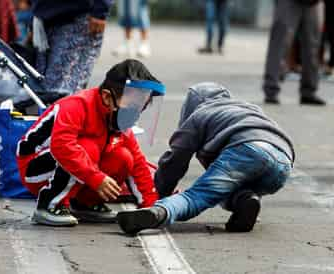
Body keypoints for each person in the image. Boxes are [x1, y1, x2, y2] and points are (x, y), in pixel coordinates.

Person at [117, 82, 295, 234]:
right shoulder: (247, 108)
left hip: (247, 148)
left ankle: (158, 213)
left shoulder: (198, 115)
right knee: (227, 187)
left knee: (196, 196)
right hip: (283, 162)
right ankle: (245, 200)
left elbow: (174, 163)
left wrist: (160, 195)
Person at [16, 59, 166, 226]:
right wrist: (95, 177)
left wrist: (152, 207)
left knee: (124, 157)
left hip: (77, 168)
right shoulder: (77, 105)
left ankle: (86, 203)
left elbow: (138, 165)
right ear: (107, 97)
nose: (135, 113)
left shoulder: (117, 120)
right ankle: (49, 204)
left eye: (141, 108)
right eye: (131, 106)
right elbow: (62, 146)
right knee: (87, 148)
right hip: (35, 168)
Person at [31, 0, 113, 94]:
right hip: (45, 17)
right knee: (42, 91)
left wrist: (100, 11)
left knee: (60, 92)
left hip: (78, 17)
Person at [263, 0, 325, 105]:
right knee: (280, 42)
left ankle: (309, 91)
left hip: (313, 3)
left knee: (312, 46)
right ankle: (271, 89)